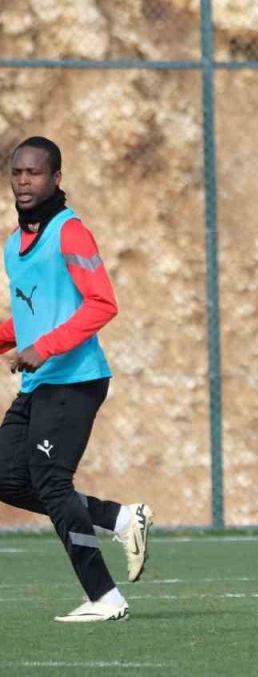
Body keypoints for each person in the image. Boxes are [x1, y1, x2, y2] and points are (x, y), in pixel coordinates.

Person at [0, 136, 153, 622]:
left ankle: (105, 597)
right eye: (17, 172)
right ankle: (118, 517)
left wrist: (42, 349)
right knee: (6, 477)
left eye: (34, 172)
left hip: (75, 380)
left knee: (51, 482)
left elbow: (102, 303)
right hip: (39, 384)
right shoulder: (13, 246)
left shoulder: (71, 233)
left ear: (56, 178)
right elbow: (32, 317)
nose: (24, 181)